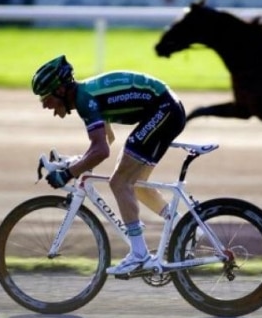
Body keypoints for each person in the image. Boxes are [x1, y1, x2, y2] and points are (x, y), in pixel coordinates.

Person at [31, 55, 186, 275]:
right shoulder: (87, 96)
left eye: (45, 98)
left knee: (120, 182)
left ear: (61, 90)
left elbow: (101, 151)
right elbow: (107, 141)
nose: (45, 105)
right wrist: (75, 163)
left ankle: (139, 254)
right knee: (136, 185)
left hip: (164, 109)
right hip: (167, 109)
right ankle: (186, 229)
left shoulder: (86, 100)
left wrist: (67, 174)